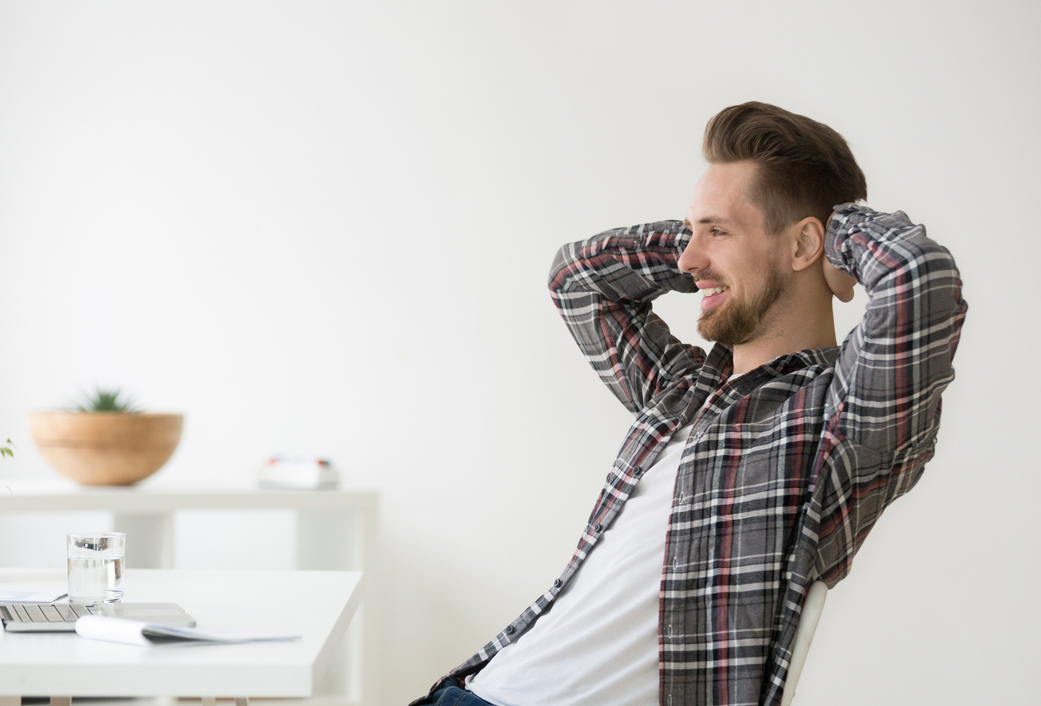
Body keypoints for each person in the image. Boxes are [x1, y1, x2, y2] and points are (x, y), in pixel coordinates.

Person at [412, 102, 967, 706]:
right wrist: (711, 241)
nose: (685, 260)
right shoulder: (682, 390)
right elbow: (576, 279)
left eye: (717, 231)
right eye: (690, 232)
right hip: (471, 688)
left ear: (807, 242)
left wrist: (837, 228)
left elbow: (920, 276)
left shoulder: (839, 421)